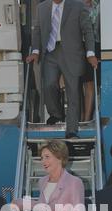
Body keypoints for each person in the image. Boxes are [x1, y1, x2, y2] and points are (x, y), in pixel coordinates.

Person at [26, 0, 98, 138]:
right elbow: (37, 30)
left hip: (72, 54)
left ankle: (72, 129)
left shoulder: (77, 5)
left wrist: (90, 53)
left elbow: (87, 30)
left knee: (73, 91)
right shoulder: (42, 8)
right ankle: (56, 114)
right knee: (49, 85)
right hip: (50, 53)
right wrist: (35, 51)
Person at [82, 0, 100, 121]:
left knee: (90, 83)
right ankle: (81, 117)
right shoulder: (75, 4)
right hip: (79, 46)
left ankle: (87, 118)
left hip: (97, 46)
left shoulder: (99, 5)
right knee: (78, 85)